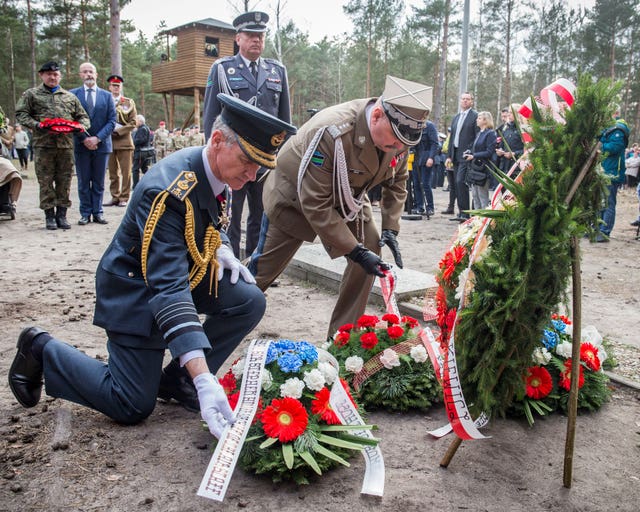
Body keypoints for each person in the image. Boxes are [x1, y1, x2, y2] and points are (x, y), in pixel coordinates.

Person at [8, 94, 296, 439]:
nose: (253, 174)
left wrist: (222, 248)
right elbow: (168, 288)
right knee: (130, 404)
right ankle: (42, 349)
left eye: (260, 165)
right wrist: (205, 378)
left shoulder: (221, 169)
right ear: (217, 141)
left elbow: (214, 220)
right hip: (137, 291)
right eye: (248, 161)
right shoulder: (167, 191)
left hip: (183, 273)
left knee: (249, 299)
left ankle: (178, 379)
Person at [248, 75, 432, 338]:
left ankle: (344, 335)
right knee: (260, 275)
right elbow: (315, 203)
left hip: (349, 198)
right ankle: (218, 314)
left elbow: (398, 181)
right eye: (395, 140)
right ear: (377, 115)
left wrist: (391, 228)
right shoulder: (332, 131)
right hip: (294, 199)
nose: (399, 148)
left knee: (371, 250)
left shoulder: (398, 137)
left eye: (405, 143)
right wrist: (353, 250)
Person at [203, 10, 291, 259]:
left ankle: (255, 264)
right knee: (229, 213)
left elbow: (285, 120)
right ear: (238, 38)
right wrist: (212, 157)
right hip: (233, 157)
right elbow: (210, 116)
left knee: (262, 215)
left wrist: (282, 158)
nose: (257, 40)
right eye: (251, 35)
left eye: (261, 36)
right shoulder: (222, 69)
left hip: (264, 159)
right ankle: (230, 261)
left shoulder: (277, 71)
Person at [15, 61, 90, 230]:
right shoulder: (31, 95)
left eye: (55, 74)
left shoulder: (70, 97)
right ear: (41, 75)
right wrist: (37, 125)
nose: (52, 77)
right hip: (44, 146)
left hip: (65, 146)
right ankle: (49, 216)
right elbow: (21, 114)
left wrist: (79, 126)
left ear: (60, 76)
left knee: (65, 180)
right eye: (48, 74)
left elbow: (83, 117)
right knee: (46, 181)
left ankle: (62, 215)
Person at [70, 62, 117, 226]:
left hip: (102, 146)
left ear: (96, 75)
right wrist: (84, 139)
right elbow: (71, 120)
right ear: (80, 75)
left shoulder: (106, 95)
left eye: (91, 72)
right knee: (83, 181)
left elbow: (112, 121)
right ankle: (85, 213)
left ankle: (98, 212)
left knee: (98, 181)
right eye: (85, 72)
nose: (88, 74)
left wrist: (97, 138)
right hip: (81, 145)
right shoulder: (73, 95)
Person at [595, 106, 629, 242]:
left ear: (614, 113)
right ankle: (596, 228)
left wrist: (600, 145)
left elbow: (614, 148)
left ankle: (604, 231)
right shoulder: (608, 128)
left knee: (608, 203)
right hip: (603, 170)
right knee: (599, 202)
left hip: (612, 172)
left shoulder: (618, 129)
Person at [445, 92, 479, 221]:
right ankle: (461, 212)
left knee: (461, 182)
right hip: (455, 154)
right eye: (463, 99)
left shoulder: (475, 116)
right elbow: (452, 137)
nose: (465, 101)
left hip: (466, 155)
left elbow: (476, 136)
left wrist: (471, 151)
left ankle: (465, 213)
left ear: (472, 101)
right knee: (455, 183)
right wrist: (449, 155)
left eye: (467, 99)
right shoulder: (456, 117)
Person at [105, 75, 137, 207]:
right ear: (109, 87)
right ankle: (115, 196)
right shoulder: (106, 100)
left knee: (126, 172)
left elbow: (133, 122)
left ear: (121, 87)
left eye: (118, 86)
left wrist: (119, 131)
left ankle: (124, 197)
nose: (116, 88)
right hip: (109, 141)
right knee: (113, 172)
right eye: (113, 85)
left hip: (124, 142)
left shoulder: (128, 102)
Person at [463, 111, 497, 210]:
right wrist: (469, 152)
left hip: (483, 169)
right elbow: (476, 148)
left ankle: (484, 221)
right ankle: (476, 220)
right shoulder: (479, 133)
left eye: (479, 118)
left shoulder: (490, 134)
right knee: (475, 196)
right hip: (475, 168)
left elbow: (489, 152)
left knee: (483, 197)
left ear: (485, 121)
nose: (477, 120)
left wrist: (474, 156)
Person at [413, 119, 440, 215]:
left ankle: (430, 207)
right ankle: (419, 207)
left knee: (425, 184)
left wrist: (431, 157)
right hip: (416, 158)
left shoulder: (429, 125)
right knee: (416, 184)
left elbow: (434, 143)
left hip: (426, 157)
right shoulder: (414, 125)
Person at [495, 105, 524, 181]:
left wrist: (514, 154)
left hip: (516, 167)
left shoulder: (523, 129)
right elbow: (501, 145)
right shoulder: (506, 128)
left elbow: (528, 150)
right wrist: (500, 151)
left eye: (511, 112)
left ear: (517, 113)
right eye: (509, 112)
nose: (508, 115)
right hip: (504, 166)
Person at [132, 114, 153, 187]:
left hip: (140, 152)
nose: (135, 122)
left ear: (140, 121)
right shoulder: (146, 128)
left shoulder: (142, 129)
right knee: (144, 169)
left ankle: (135, 185)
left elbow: (141, 140)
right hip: (144, 152)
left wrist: (133, 142)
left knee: (135, 169)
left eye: (136, 121)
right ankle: (150, 181)